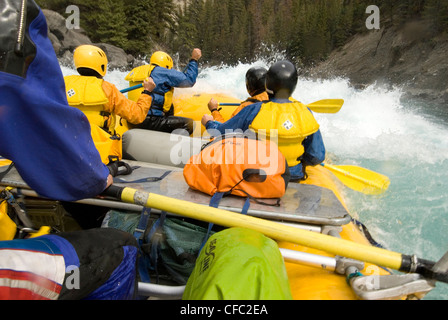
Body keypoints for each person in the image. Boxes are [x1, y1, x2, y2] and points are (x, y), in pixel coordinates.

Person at [0, 0, 139, 300]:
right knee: (122, 248)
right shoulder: (108, 89)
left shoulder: (66, 82)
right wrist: (97, 177)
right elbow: (136, 117)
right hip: (98, 160)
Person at [202, 60, 326, 181]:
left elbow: (220, 133)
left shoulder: (253, 110)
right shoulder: (305, 112)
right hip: (294, 176)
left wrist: (209, 122)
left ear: (268, 84)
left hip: (259, 177)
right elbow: (317, 156)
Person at [64, 45, 156, 165]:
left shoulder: (63, 84)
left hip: (68, 149)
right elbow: (137, 115)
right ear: (102, 66)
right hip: (99, 157)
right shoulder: (108, 89)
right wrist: (146, 92)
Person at [130, 49, 202, 135]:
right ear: (167, 65)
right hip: (150, 120)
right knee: (189, 124)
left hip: (134, 118)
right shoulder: (163, 72)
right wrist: (194, 60)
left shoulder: (139, 71)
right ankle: (171, 146)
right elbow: (189, 80)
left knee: (170, 107)